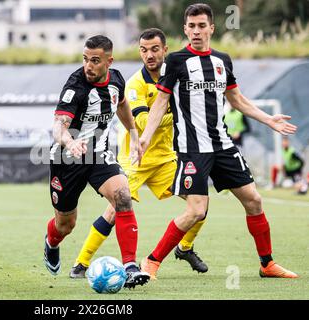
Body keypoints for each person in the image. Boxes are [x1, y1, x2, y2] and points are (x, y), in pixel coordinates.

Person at [138, 3, 298, 279]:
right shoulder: (175, 62)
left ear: (212, 27)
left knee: (254, 201)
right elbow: (161, 102)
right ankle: (151, 262)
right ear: (185, 29)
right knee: (196, 211)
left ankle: (267, 264)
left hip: (223, 146)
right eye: (191, 26)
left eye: (202, 26)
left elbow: (236, 100)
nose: (196, 31)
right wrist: (145, 137)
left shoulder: (222, 60)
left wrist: (269, 119)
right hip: (192, 150)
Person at [69, 28, 208, 280]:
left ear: (165, 50)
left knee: (199, 203)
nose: (149, 55)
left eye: (155, 49)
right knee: (115, 210)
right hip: (135, 159)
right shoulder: (134, 83)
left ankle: (184, 248)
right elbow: (142, 122)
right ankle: (81, 262)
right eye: (144, 50)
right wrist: (180, 114)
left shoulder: (175, 78)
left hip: (166, 158)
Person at [44, 35, 150, 288]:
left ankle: (130, 267)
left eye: (94, 60)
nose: (88, 66)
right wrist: (70, 142)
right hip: (66, 159)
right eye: (85, 59)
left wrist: (134, 135)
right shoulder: (75, 87)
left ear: (109, 61)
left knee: (123, 197)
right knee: (65, 224)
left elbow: (122, 103)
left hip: (99, 154)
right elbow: (58, 128)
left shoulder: (116, 79)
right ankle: (51, 242)